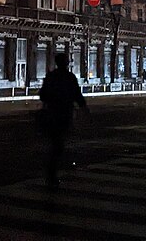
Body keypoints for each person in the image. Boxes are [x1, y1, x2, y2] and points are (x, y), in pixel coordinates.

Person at [38, 53, 87, 188]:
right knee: (58, 145)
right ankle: (51, 174)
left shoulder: (51, 76)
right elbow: (77, 94)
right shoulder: (69, 77)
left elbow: (42, 95)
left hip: (52, 114)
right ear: (65, 63)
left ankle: (50, 173)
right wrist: (84, 108)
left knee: (55, 143)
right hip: (63, 114)